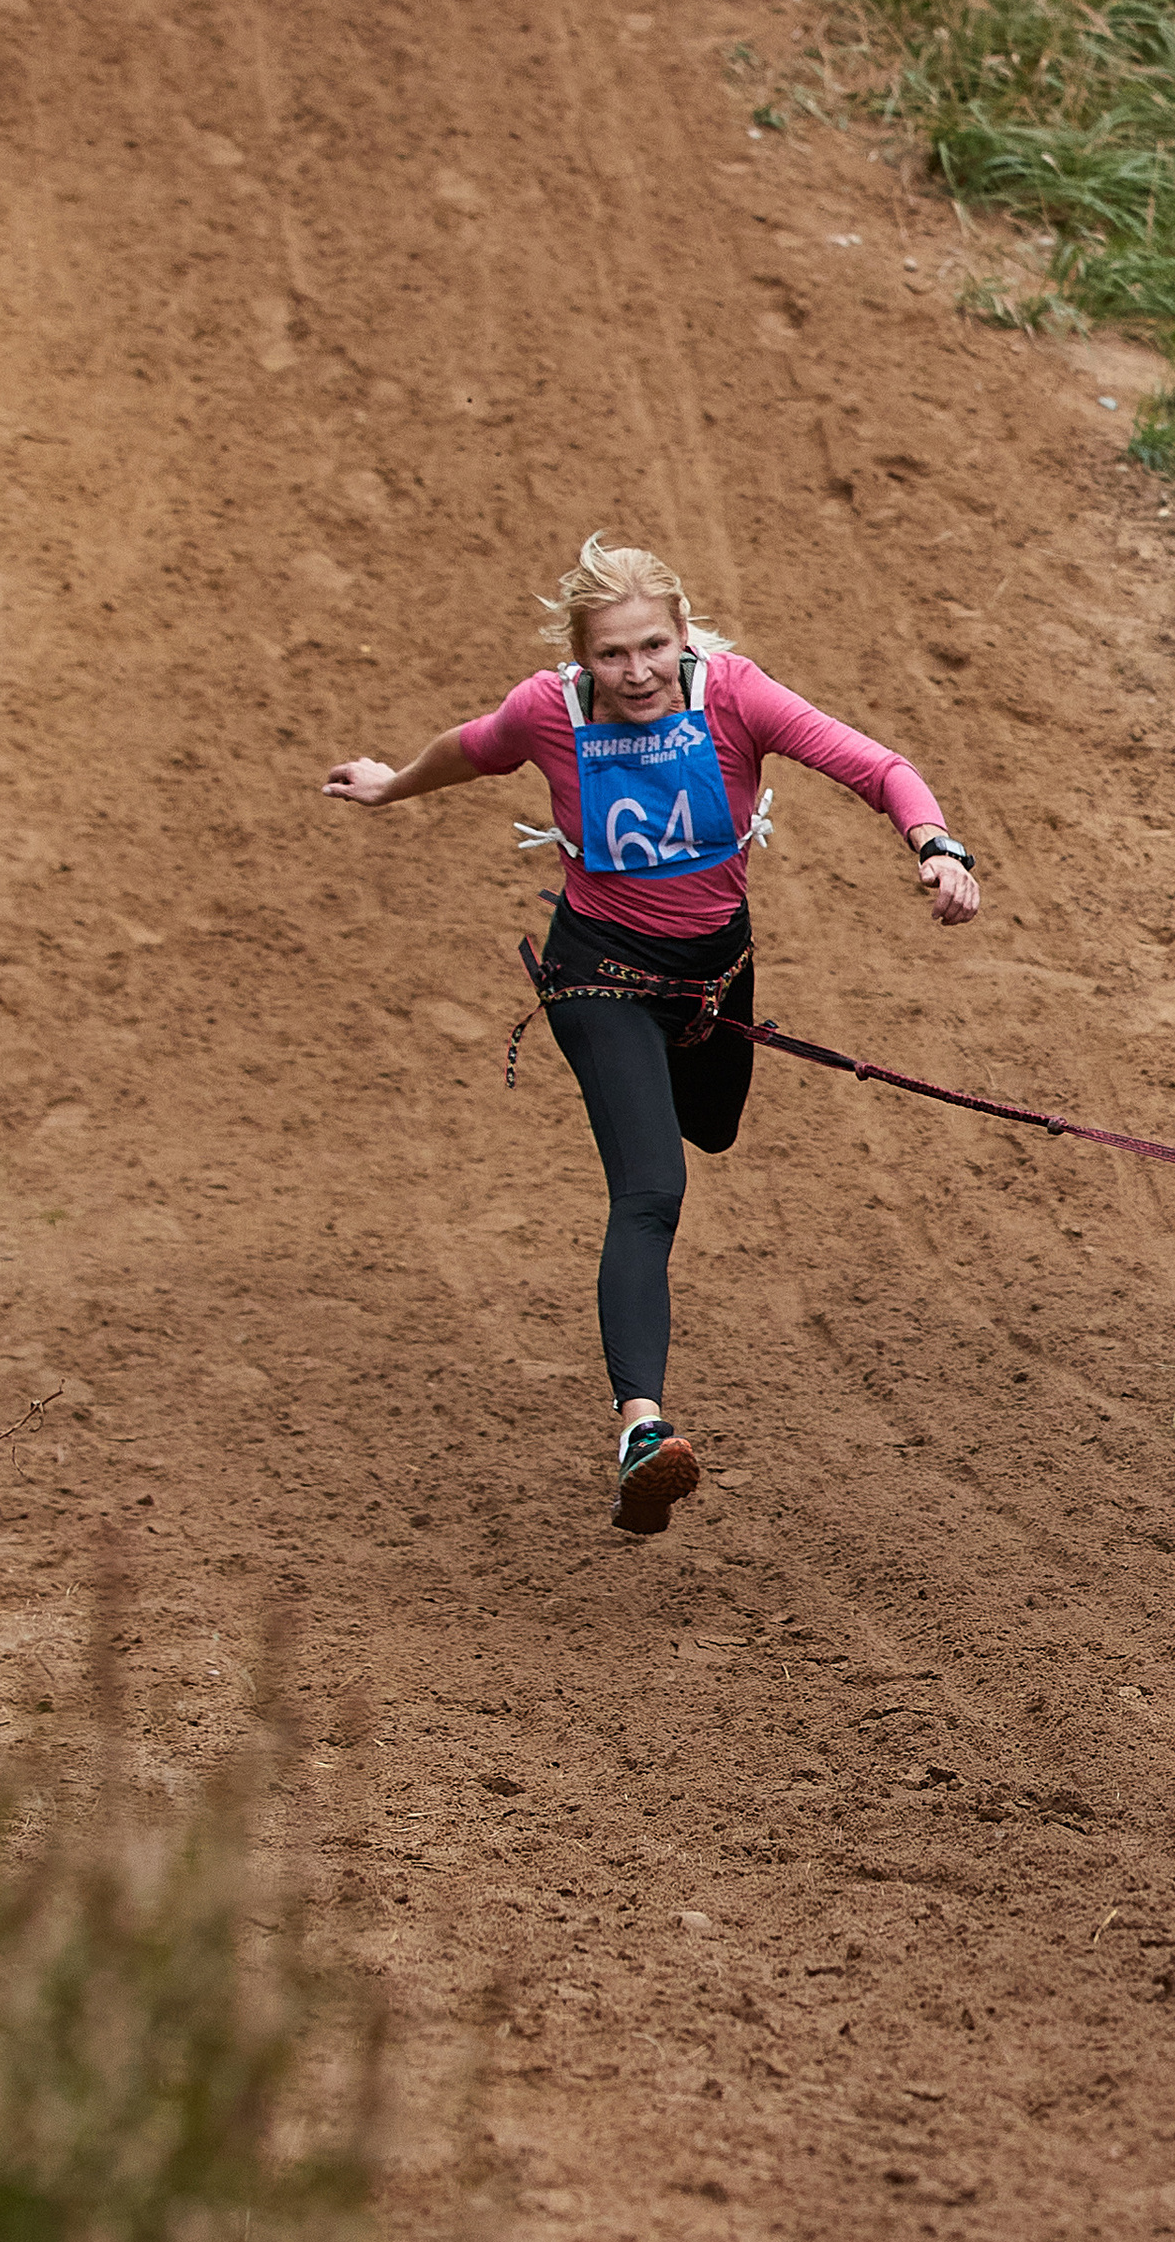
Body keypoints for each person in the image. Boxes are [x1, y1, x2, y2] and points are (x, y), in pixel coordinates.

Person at [322, 538, 979, 1535]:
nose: (635, 673)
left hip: (714, 974)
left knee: (711, 1126)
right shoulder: (549, 710)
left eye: (652, 647)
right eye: (611, 654)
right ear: (579, 656)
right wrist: (389, 785)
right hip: (602, 975)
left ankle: (643, 1399)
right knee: (651, 1190)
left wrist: (936, 845)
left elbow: (876, 766)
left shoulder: (736, 696)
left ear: (683, 634)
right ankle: (641, 1429)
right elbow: (475, 746)